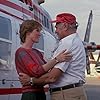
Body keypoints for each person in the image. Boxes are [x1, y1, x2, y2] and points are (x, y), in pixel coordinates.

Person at [19, 13, 87, 100]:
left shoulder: (67, 43)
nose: (55, 31)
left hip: (66, 95)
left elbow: (52, 77)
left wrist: (30, 80)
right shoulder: (75, 41)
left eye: (56, 27)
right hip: (72, 93)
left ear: (65, 26)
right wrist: (55, 60)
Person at [15, 19, 72, 100]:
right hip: (30, 94)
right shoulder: (21, 52)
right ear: (28, 33)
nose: (39, 34)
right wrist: (57, 59)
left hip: (40, 93)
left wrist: (30, 79)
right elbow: (36, 71)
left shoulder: (36, 52)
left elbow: (47, 70)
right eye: (37, 31)